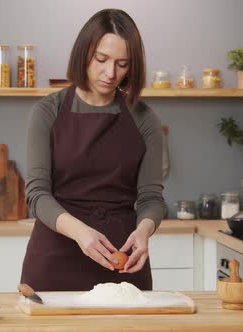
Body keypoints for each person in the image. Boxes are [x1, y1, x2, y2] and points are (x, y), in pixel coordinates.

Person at [20, 8, 166, 291]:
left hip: (121, 264)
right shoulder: (47, 111)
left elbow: (151, 198)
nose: (111, 73)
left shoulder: (144, 119)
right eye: (101, 59)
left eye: (122, 64)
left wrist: (144, 230)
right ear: (83, 52)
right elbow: (37, 195)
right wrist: (80, 232)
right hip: (54, 261)